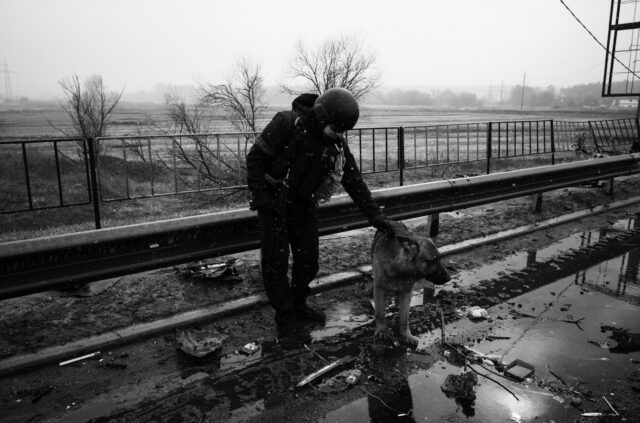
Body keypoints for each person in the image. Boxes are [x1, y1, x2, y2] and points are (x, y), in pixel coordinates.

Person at [246, 87, 396, 342]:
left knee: (309, 262)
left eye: (342, 131)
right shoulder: (286, 123)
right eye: (336, 129)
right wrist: (261, 198)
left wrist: (375, 217)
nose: (339, 135)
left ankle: (298, 304)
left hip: (304, 207)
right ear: (322, 118)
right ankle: (285, 319)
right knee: (275, 266)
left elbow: (354, 182)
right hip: (274, 205)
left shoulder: (336, 145)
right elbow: (255, 159)